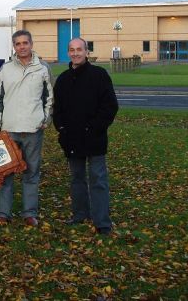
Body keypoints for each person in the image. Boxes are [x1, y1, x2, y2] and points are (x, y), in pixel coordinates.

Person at [53, 38, 118, 235]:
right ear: (68, 53)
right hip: (71, 138)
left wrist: (94, 128)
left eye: (79, 49)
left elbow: (110, 106)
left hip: (94, 137)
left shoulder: (99, 75)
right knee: (77, 178)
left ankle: (102, 222)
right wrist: (62, 129)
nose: (75, 53)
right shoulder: (63, 79)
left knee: (98, 179)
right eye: (71, 50)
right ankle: (80, 214)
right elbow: (58, 110)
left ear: (86, 52)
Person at [0, 30, 54, 227]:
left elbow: (50, 97)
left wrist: (46, 118)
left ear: (31, 44)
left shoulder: (43, 68)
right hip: (8, 131)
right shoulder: (5, 69)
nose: (22, 47)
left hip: (33, 130)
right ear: (14, 47)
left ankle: (29, 213)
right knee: (5, 173)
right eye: (18, 44)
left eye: (25, 43)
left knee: (31, 173)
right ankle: (3, 214)